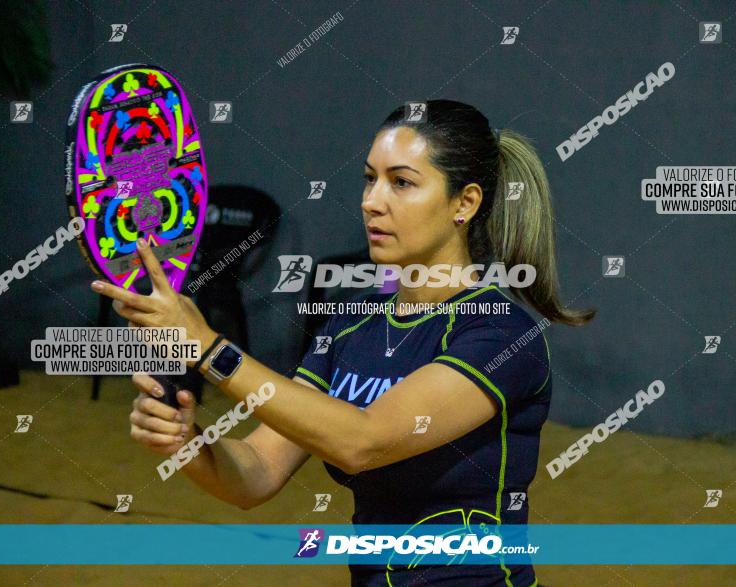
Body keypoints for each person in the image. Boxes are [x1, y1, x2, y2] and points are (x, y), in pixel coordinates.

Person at [91, 99, 595, 586]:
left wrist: (206, 347)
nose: (371, 201)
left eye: (401, 183)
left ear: (464, 203)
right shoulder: (349, 327)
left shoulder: (500, 333)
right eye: (369, 178)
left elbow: (363, 441)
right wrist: (189, 444)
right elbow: (259, 473)